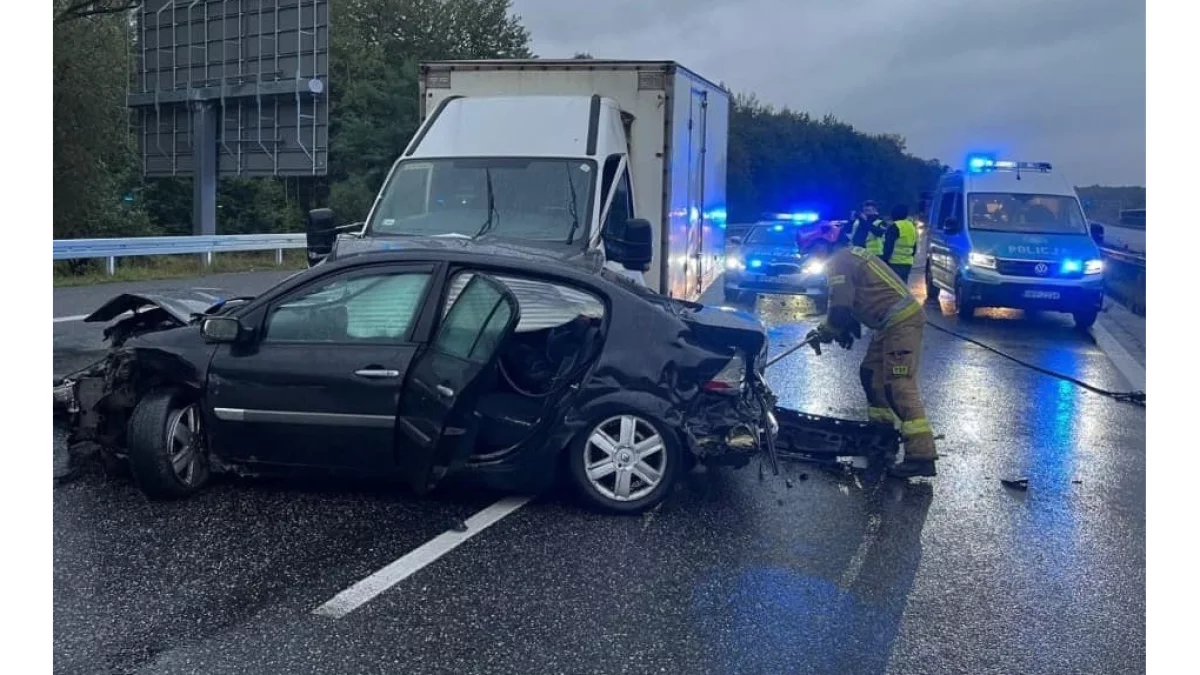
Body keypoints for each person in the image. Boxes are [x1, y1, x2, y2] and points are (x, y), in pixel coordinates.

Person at [799, 223, 938, 478]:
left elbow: (839, 309)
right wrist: (845, 326)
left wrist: (826, 331)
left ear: (825, 243)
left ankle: (922, 455)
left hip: (900, 323)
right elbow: (851, 302)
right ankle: (881, 437)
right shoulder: (848, 256)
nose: (812, 255)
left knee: (897, 384)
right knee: (870, 375)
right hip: (889, 324)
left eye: (812, 249)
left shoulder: (840, 261)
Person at [881, 204, 918, 283]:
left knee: (893, 287)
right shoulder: (911, 226)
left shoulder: (894, 227)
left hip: (894, 263)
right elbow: (914, 245)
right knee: (903, 287)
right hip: (907, 263)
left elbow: (888, 246)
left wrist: (884, 261)